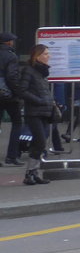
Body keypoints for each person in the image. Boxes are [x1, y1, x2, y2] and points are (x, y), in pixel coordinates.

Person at [14, 44, 56, 185]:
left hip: (44, 111)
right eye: (45, 54)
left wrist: (50, 102)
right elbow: (22, 90)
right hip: (34, 112)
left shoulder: (42, 72)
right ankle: (29, 173)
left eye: (48, 53)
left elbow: (43, 90)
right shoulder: (29, 70)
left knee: (39, 143)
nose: (48, 56)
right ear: (36, 56)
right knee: (40, 141)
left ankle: (34, 173)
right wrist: (39, 100)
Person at [1, 32, 23, 166]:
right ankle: (12, 156)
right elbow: (12, 77)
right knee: (17, 123)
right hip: (8, 95)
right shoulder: (11, 56)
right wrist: (18, 92)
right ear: (8, 42)